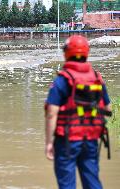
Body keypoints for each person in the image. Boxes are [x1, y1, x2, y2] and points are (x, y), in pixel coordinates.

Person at [44, 35, 112, 189]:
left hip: (67, 140)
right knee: (92, 181)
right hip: (91, 139)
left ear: (66, 53)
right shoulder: (96, 78)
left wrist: (49, 143)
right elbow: (108, 108)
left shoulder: (62, 80)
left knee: (67, 184)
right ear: (87, 52)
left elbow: (51, 114)